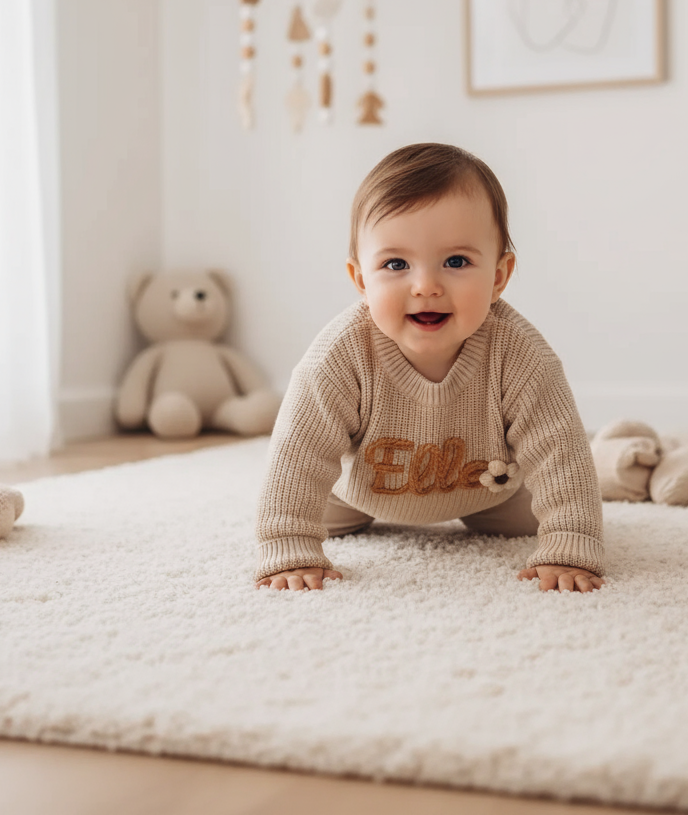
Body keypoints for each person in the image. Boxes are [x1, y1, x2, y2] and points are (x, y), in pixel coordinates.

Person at [255, 143, 605, 593]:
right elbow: (298, 455)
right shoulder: (339, 357)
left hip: (489, 491)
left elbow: (560, 452)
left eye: (456, 262)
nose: (426, 286)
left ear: (499, 276)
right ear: (361, 279)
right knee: (298, 505)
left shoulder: (521, 356)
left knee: (554, 503)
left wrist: (570, 544)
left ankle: (613, 467)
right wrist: (288, 545)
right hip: (355, 494)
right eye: (396, 264)